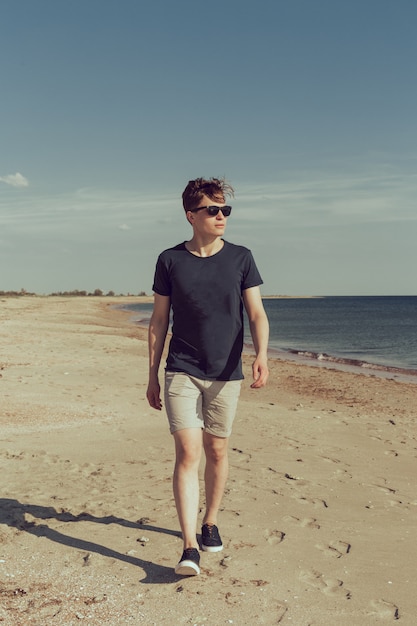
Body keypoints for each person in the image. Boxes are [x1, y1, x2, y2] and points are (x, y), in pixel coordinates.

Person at [146, 177, 269, 576]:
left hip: (225, 373)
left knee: (216, 451)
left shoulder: (241, 258)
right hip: (181, 368)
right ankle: (188, 548)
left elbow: (256, 313)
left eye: (225, 210)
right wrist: (151, 374)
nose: (221, 217)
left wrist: (262, 354)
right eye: (212, 210)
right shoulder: (169, 260)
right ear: (191, 215)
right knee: (188, 453)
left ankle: (210, 522)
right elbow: (159, 320)